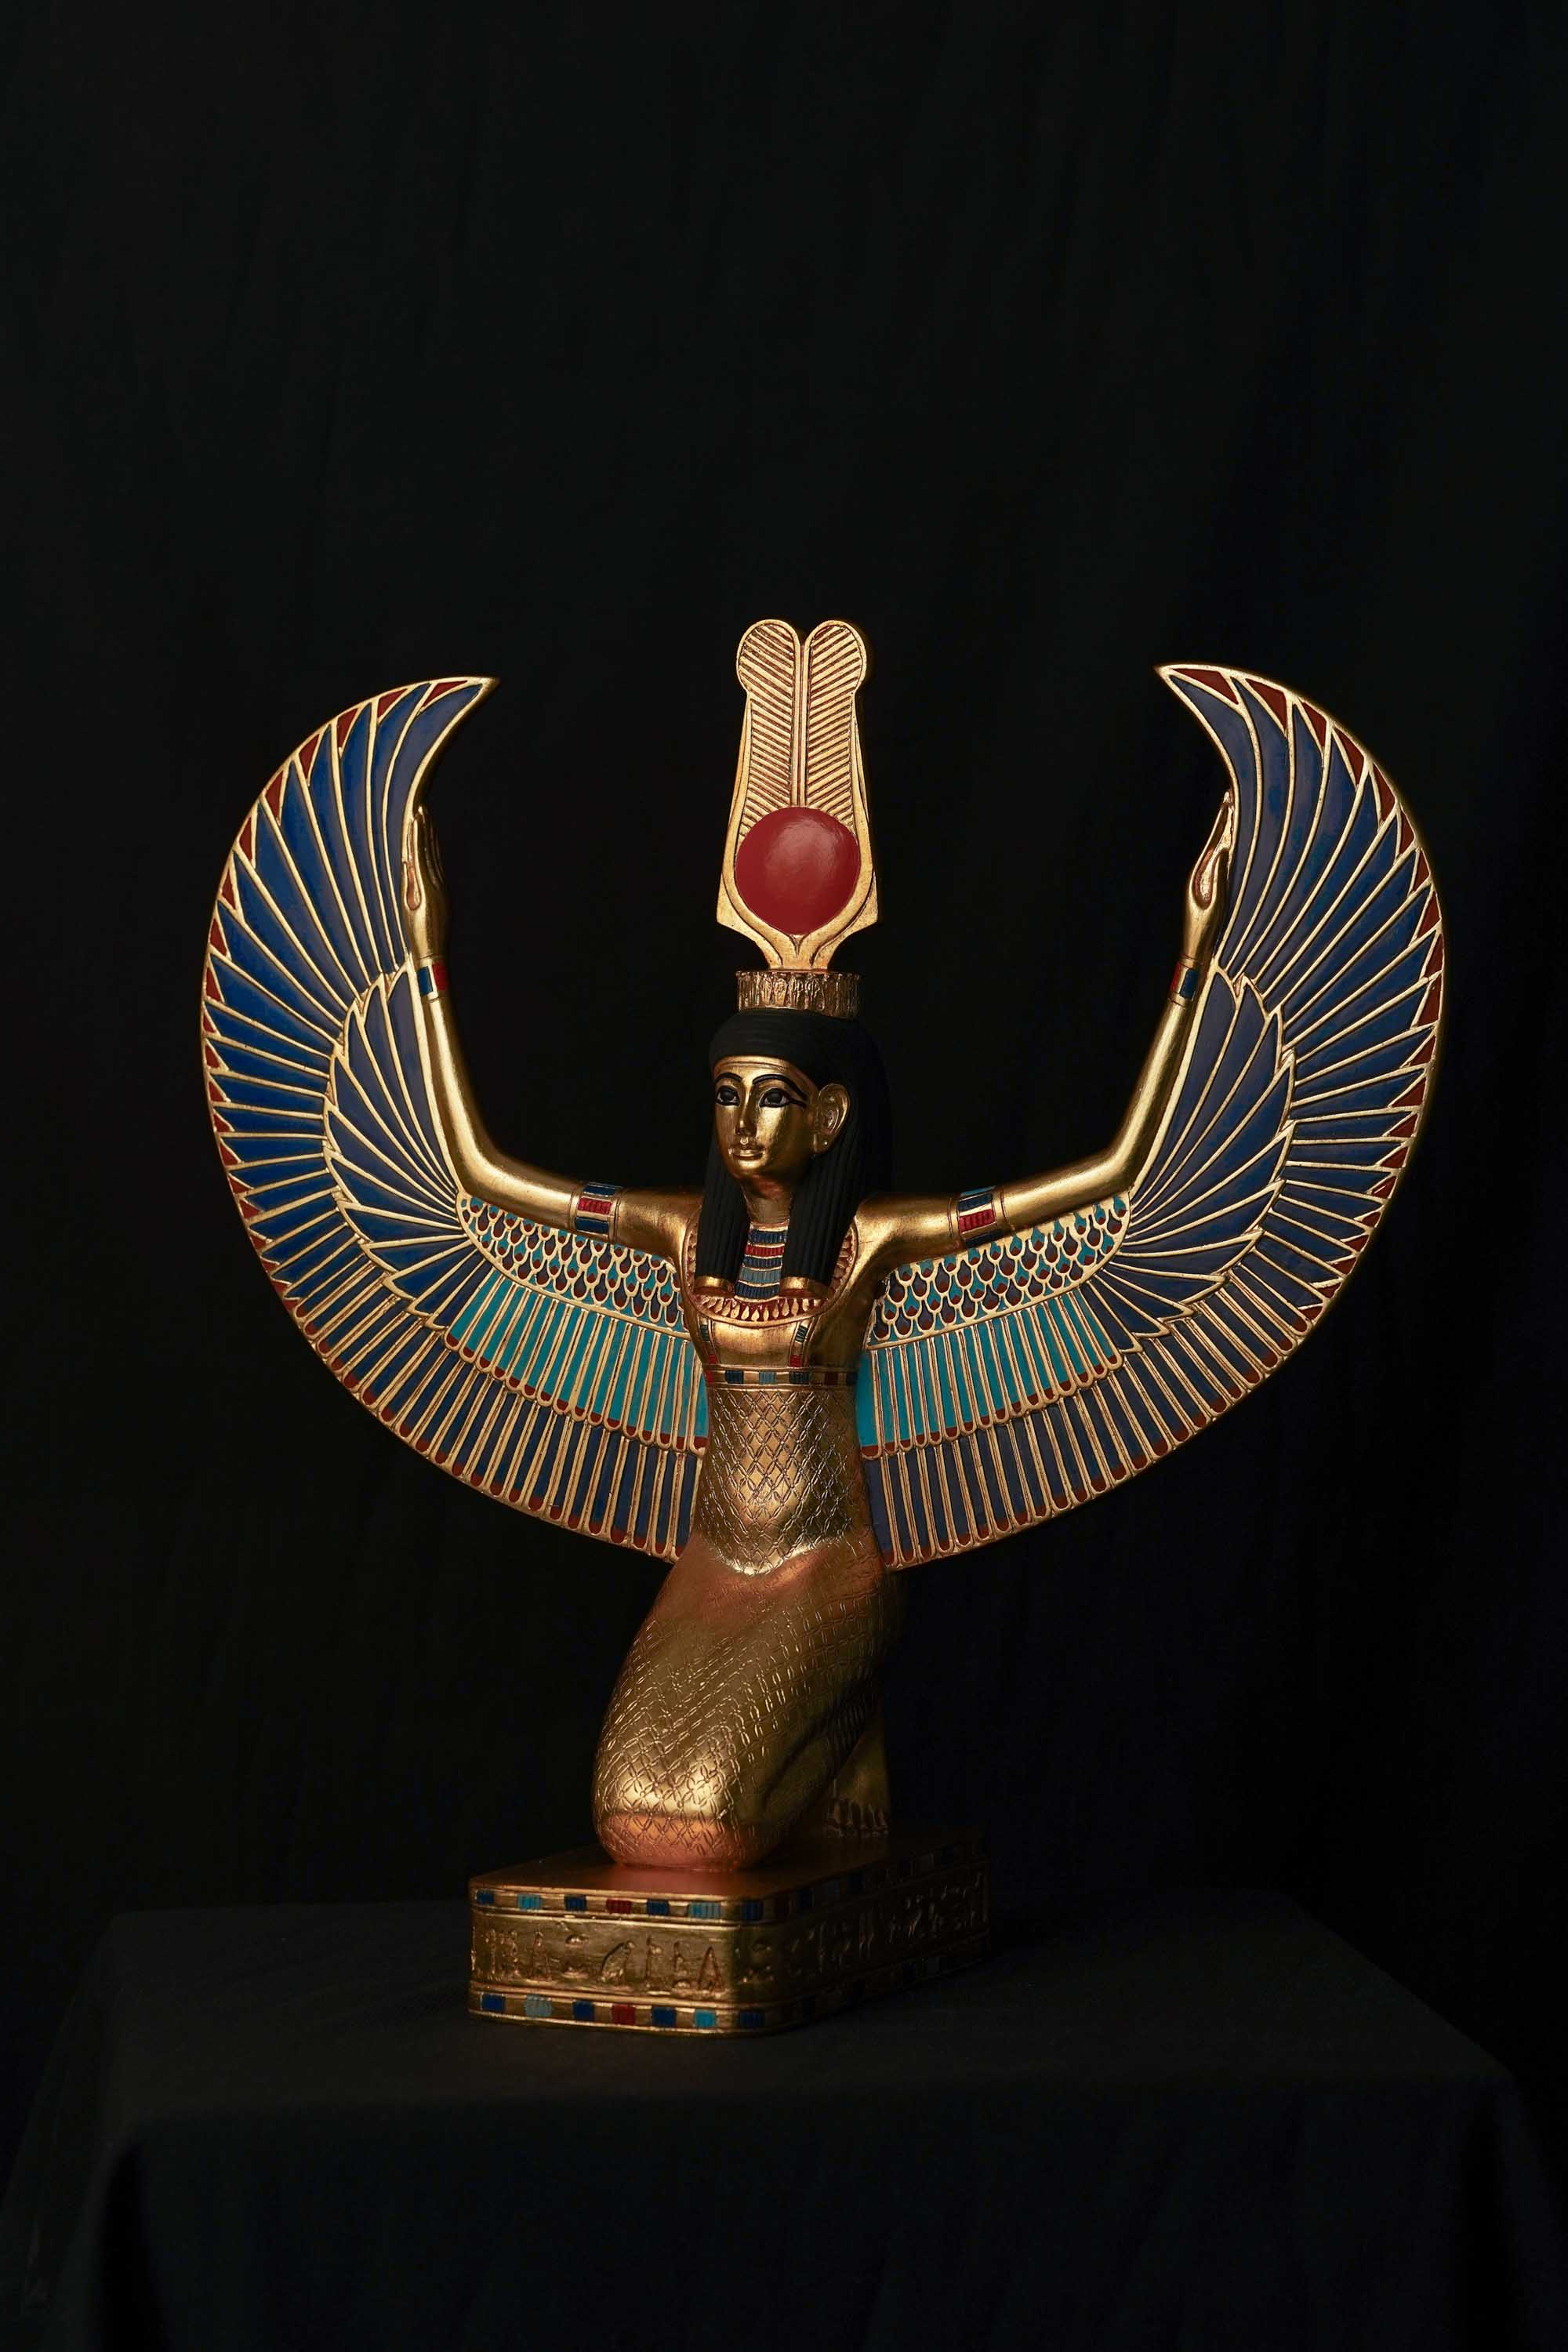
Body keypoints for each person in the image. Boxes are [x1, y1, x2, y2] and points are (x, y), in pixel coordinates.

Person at [400, 790, 1232, 1866]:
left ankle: (841, 1723)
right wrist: (425, 956)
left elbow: (1119, 1177)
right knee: (633, 1818)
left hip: (827, 1564)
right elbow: (477, 1174)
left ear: (831, 1115)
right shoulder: (680, 1233)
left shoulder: (872, 1244)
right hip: (716, 1557)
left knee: (704, 1827)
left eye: (775, 1097)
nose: (744, 1125)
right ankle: (834, 1743)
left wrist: (1194, 959)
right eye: (727, 1095)